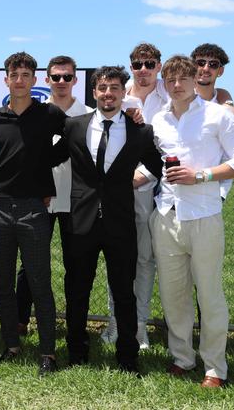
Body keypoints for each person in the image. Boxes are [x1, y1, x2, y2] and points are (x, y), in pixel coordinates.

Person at [62, 66, 162, 375]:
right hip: (80, 220)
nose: (108, 93)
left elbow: (156, 165)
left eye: (115, 88)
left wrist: (133, 180)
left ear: (123, 93)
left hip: (121, 221)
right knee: (77, 289)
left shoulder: (140, 131)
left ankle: (127, 356)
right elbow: (47, 157)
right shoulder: (74, 126)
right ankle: (77, 351)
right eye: (103, 88)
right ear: (94, 92)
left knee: (123, 291)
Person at [150, 55, 234, 388]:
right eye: (170, 80)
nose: (177, 85)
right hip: (167, 214)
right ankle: (182, 357)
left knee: (210, 294)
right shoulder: (159, 120)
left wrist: (199, 175)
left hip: (204, 214)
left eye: (183, 78)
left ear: (195, 79)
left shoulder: (218, 116)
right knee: (173, 294)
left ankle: (214, 366)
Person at [0, 52, 67, 375]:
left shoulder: (49, 114)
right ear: (5, 80)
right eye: (14, 75)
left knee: (39, 282)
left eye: (25, 75)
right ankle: (11, 345)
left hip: (34, 209)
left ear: (36, 80)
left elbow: (76, 134)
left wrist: (47, 160)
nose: (19, 80)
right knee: (3, 283)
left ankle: (48, 353)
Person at [15, 56, 91, 336]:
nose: (61, 82)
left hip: (77, 200)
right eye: (56, 77)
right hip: (40, 199)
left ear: (75, 80)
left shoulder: (88, 114)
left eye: (67, 77)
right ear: (46, 80)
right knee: (31, 263)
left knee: (76, 265)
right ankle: (20, 320)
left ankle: (75, 326)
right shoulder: (36, 113)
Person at [101, 43, 168, 348]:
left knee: (144, 259)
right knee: (117, 258)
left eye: (149, 64)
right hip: (121, 190)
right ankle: (116, 322)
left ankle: (139, 325)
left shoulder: (171, 95)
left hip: (160, 188)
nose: (143, 70)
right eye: (138, 64)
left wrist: (144, 175)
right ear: (131, 67)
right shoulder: (118, 94)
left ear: (159, 65)